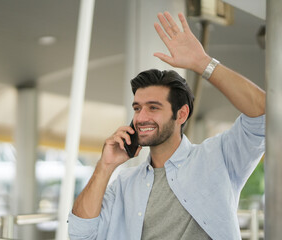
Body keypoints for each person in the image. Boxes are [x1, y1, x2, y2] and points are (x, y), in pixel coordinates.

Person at [68, 12, 265, 240]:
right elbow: (80, 234)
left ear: (181, 114)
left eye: (153, 107)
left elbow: (262, 114)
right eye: (137, 108)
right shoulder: (124, 184)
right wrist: (105, 166)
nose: (141, 117)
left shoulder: (218, 157)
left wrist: (202, 63)